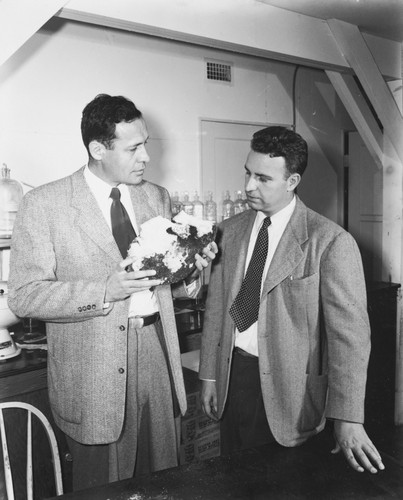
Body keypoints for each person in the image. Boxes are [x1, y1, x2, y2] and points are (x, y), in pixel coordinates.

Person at [8, 94, 217, 491]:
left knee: (164, 481)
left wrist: (193, 270)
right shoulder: (45, 204)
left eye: (146, 145)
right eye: (134, 147)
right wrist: (104, 290)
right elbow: (24, 295)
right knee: (103, 486)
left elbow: (167, 279)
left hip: (157, 351)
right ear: (98, 149)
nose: (146, 158)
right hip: (93, 370)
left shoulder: (155, 196)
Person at [199, 126, 385, 474]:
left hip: (291, 394)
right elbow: (216, 308)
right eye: (247, 173)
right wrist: (209, 375)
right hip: (233, 379)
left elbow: (350, 338)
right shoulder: (229, 230)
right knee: (232, 481)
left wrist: (347, 417)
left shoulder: (329, 241)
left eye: (263, 178)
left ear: (292, 180)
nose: (249, 186)